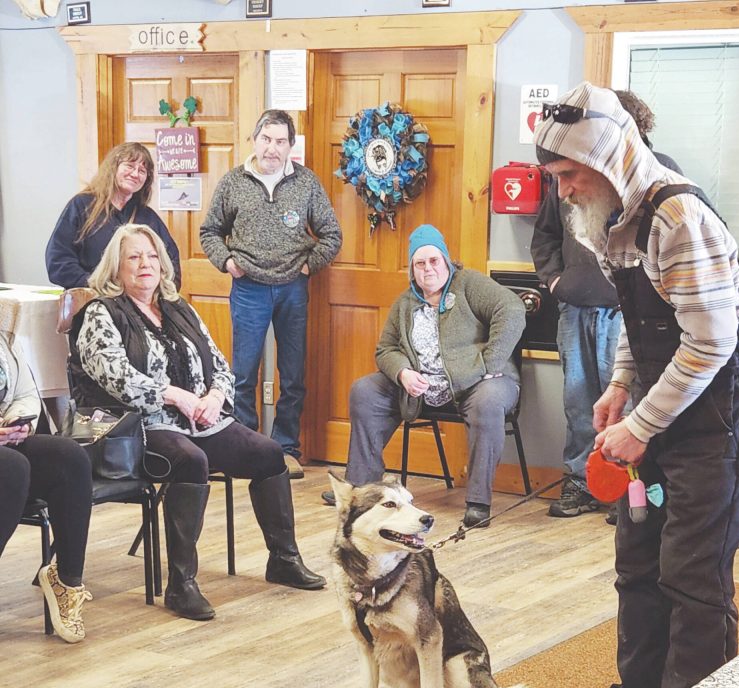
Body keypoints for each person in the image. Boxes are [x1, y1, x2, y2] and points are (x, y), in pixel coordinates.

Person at [533, 82, 739, 688]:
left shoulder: (677, 218)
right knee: (638, 557)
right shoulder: (617, 220)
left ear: (608, 159)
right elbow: (641, 319)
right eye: (555, 178)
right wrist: (619, 388)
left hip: (722, 407)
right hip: (664, 399)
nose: (564, 192)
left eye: (571, 175)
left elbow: (713, 340)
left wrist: (640, 424)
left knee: (692, 574)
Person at [71, 224, 325, 622]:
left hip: (200, 418)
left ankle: (284, 559)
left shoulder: (179, 307)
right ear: (115, 267)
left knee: (269, 453)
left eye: (152, 256)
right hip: (140, 426)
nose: (145, 265)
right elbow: (116, 377)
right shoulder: (101, 314)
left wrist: (214, 398)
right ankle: (181, 583)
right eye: (134, 257)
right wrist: (176, 396)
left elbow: (220, 364)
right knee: (191, 462)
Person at [531, 90, 682, 523]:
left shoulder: (664, 182)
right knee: (583, 404)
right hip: (575, 307)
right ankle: (583, 482)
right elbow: (544, 236)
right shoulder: (569, 176)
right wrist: (558, 282)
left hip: (626, 312)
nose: (565, 190)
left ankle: (625, 487)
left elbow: (709, 340)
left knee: (631, 402)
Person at [322, 224, 526, 528]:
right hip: (421, 387)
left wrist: (488, 363)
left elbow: (511, 309)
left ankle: (478, 501)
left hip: (478, 383)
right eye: (420, 263)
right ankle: (362, 487)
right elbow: (386, 348)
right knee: (364, 390)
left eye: (434, 260)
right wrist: (403, 372)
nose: (428, 268)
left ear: (446, 260)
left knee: (488, 401)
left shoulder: (469, 284)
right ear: (412, 269)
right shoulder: (406, 302)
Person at [200, 109, 342, 478]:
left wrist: (309, 266)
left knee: (293, 374)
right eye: (267, 139)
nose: (273, 148)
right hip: (248, 288)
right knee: (243, 373)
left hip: (293, 289)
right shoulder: (233, 182)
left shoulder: (307, 183)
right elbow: (210, 232)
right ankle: (242, 448)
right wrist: (227, 261)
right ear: (254, 141)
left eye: (281, 141)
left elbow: (331, 235)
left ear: (291, 146)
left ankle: (286, 448)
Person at [0, 334, 93, 643]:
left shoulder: (4, 333)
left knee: (69, 457)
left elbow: (26, 392)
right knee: (12, 468)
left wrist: (18, 421)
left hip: (5, 442)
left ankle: (65, 582)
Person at [46, 142, 181, 289]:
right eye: (129, 166)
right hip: (92, 298)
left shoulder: (148, 218)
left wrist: (156, 292)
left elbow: (171, 264)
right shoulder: (82, 206)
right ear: (113, 167)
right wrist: (96, 285)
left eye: (142, 170)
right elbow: (58, 260)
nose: (135, 174)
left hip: (137, 304)